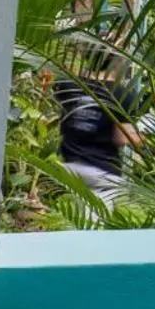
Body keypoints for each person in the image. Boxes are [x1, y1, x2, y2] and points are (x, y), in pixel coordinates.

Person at [53, 70, 141, 207]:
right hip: (101, 173)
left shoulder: (68, 85)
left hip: (70, 167)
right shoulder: (121, 94)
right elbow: (122, 138)